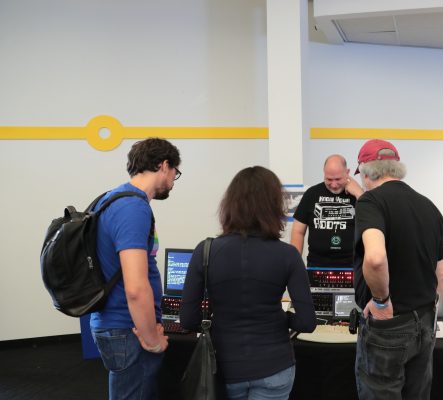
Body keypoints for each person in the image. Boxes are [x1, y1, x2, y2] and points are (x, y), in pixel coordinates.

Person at [180, 166, 316, 400]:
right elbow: (306, 322)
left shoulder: (205, 250)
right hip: (275, 367)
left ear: (230, 205)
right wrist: (279, 317)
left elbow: (188, 320)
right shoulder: (288, 255)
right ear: (275, 206)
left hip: (223, 369)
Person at [352, 139, 443, 400]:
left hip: (389, 326)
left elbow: (375, 258)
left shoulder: (370, 202)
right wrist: (431, 315)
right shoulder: (429, 207)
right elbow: (441, 273)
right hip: (425, 320)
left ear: (367, 172)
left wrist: (381, 302)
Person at [90, 137, 181, 400]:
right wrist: (152, 339)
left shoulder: (112, 199)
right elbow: (136, 288)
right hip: (128, 328)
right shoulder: (133, 208)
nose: (174, 180)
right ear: (164, 165)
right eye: (175, 173)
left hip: (117, 324)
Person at [291, 154, 363, 267]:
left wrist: (360, 194)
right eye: (329, 179)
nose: (334, 185)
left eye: (338, 179)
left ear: (347, 172)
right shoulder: (311, 194)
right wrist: (294, 265)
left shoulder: (358, 195)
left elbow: (372, 222)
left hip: (352, 266)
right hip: (316, 265)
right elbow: (298, 231)